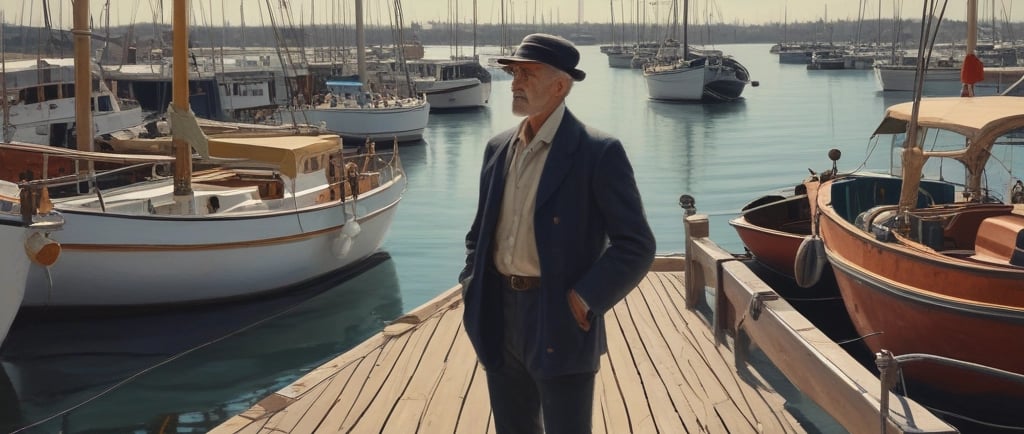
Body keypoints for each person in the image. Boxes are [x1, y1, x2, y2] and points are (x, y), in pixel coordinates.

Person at [458, 33, 656, 434]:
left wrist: (585, 300)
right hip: (498, 315)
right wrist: (471, 286)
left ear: (560, 85)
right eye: (514, 73)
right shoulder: (498, 148)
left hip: (561, 319)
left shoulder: (598, 152)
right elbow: (479, 235)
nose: (515, 82)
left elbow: (636, 245)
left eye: (527, 74)